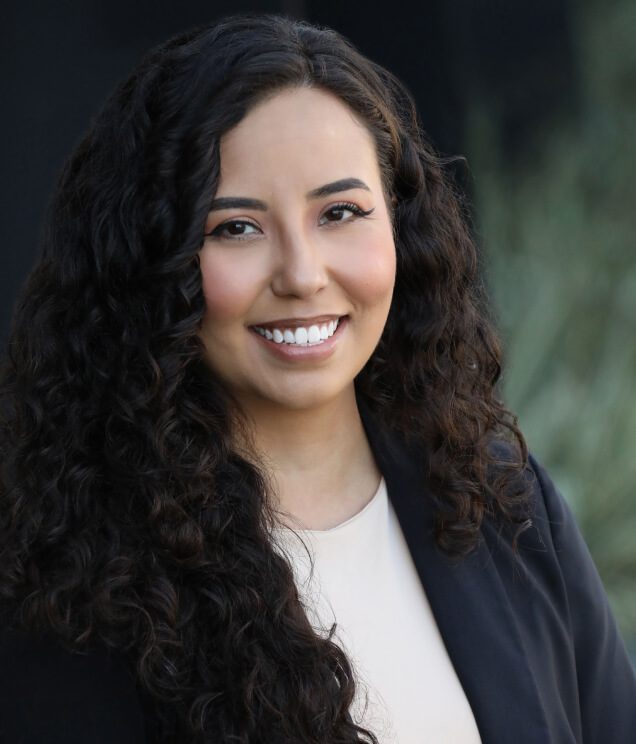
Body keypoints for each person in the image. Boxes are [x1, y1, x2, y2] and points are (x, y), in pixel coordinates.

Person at [0, 13, 634, 744]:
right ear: (150, 258)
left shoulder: (503, 502)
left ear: (401, 227)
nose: (303, 275)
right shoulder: (77, 592)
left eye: (340, 212)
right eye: (235, 227)